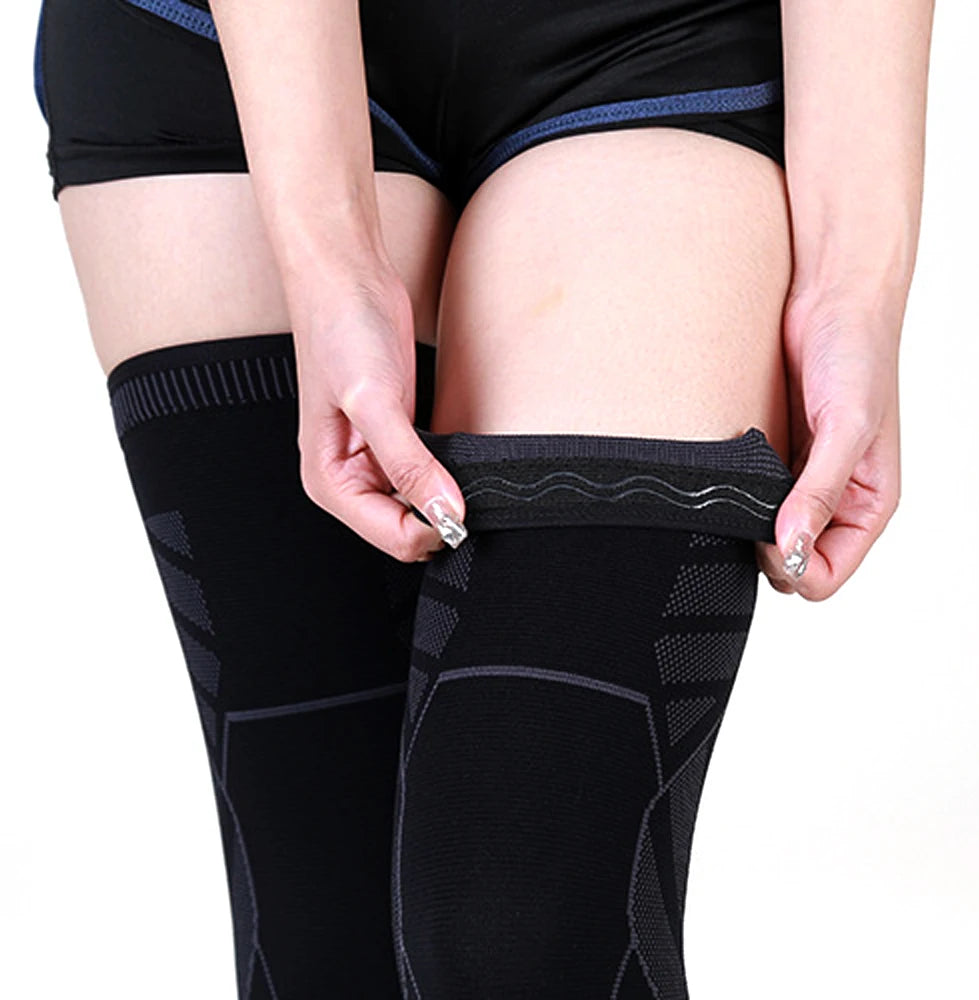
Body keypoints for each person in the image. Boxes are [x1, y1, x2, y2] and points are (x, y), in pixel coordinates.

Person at [32, 0, 933, 996]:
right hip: (228, 47)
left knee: (529, 930)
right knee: (326, 940)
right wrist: (328, 260)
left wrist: (854, 281)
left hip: (658, 42)